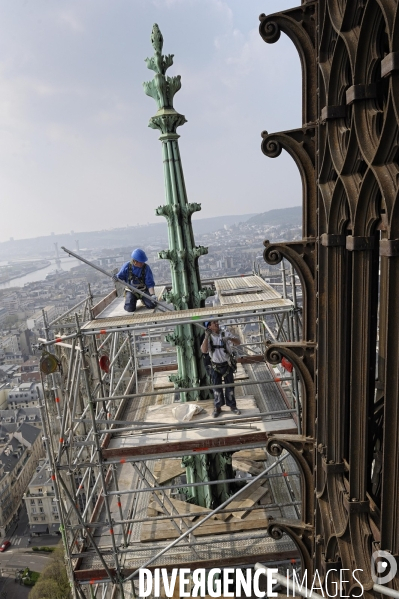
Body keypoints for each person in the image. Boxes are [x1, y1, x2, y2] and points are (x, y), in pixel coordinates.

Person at [201, 320, 241, 418]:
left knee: (230, 387)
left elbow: (238, 342)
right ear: (209, 327)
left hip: (227, 364)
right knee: (216, 388)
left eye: (217, 322)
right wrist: (206, 337)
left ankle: (232, 406)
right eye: (214, 323)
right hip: (215, 366)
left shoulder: (224, 333)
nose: (217, 324)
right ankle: (217, 407)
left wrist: (229, 338)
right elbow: (204, 350)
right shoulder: (209, 338)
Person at [113, 249, 157, 313]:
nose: (143, 263)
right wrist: (115, 278)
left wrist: (152, 295)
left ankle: (144, 300)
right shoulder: (127, 267)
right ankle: (131, 301)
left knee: (152, 305)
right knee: (129, 308)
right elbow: (119, 277)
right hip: (131, 290)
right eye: (141, 262)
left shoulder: (146, 268)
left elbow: (150, 284)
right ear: (135, 261)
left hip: (143, 290)